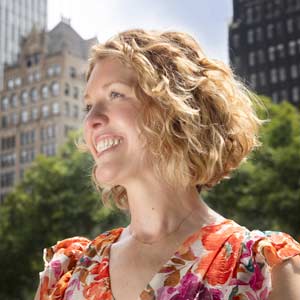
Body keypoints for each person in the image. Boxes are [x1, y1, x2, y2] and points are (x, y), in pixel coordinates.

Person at [34, 29, 300, 300]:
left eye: (115, 94)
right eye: (88, 106)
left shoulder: (264, 269)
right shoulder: (67, 273)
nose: (92, 120)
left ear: (173, 108)